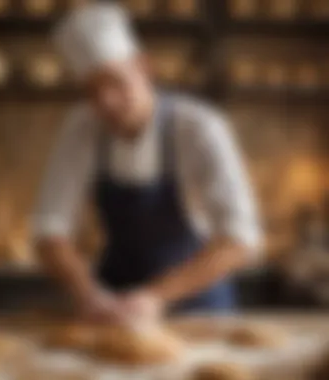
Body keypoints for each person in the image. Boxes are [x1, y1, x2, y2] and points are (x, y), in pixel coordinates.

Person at [32, 3, 262, 324]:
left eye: (114, 82)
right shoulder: (81, 127)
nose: (106, 101)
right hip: (112, 308)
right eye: (92, 91)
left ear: (144, 67)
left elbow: (240, 240)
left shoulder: (199, 127)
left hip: (198, 309)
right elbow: (49, 229)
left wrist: (154, 296)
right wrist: (87, 294)